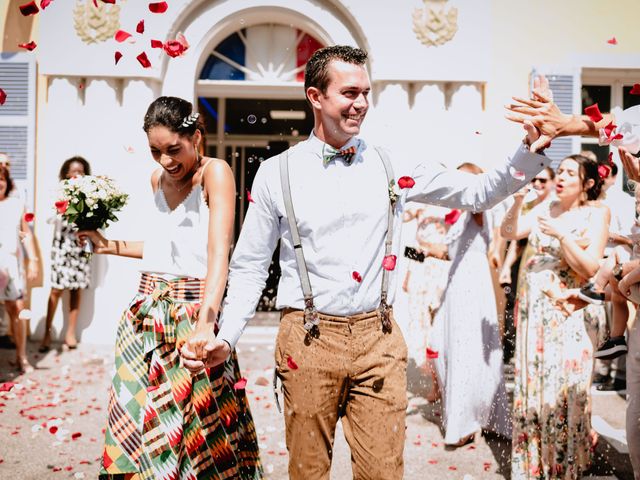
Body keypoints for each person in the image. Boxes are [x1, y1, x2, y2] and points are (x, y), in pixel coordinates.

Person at [181, 45, 557, 480]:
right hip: (306, 338)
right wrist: (225, 338)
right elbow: (249, 266)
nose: (360, 103)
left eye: (366, 92)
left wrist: (529, 147)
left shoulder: (391, 162)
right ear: (315, 97)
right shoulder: (276, 173)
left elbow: (479, 192)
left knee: (383, 472)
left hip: (378, 336)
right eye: (349, 93)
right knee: (308, 471)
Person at [78, 97, 262, 479]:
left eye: (173, 149)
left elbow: (216, 254)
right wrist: (108, 244)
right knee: (136, 422)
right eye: (155, 151)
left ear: (197, 136)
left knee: (199, 435)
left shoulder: (217, 172)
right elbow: (163, 250)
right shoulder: (155, 179)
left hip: (192, 316)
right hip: (142, 317)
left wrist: (207, 324)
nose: (165, 161)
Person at [502, 154, 609, 478]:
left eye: (568, 173)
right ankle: (533, 466)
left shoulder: (596, 213)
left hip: (567, 313)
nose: (560, 177)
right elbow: (510, 231)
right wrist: (519, 200)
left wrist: (563, 236)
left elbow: (590, 268)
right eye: (559, 171)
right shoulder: (545, 208)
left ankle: (563, 465)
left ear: (587, 184)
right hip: (533, 316)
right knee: (534, 388)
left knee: (563, 392)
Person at [428, 162, 511, 448]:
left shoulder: (478, 208)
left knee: (469, 349)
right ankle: (473, 414)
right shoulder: (456, 215)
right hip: (455, 282)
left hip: (474, 283)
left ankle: (469, 422)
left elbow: (479, 203)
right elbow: (450, 250)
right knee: (442, 346)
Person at [498, 166, 555, 362]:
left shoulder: (556, 208)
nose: (537, 184)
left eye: (543, 181)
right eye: (535, 180)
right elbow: (515, 241)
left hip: (549, 267)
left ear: (553, 183)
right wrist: (506, 267)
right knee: (513, 306)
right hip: (523, 264)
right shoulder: (528, 207)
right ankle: (512, 351)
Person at [39, 157, 93, 352]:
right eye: (73, 171)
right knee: (55, 289)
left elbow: (97, 222)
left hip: (80, 246)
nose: (77, 175)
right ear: (66, 173)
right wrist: (63, 205)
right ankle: (46, 333)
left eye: (81, 171)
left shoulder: (91, 194)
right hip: (62, 246)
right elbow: (47, 218)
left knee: (76, 289)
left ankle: (70, 332)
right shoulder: (58, 192)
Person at [0, 164, 39, 373]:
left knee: (17, 308)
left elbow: (26, 234)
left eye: (2, 178)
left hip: (11, 264)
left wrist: (33, 259)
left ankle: (21, 357)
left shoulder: (17, 205)